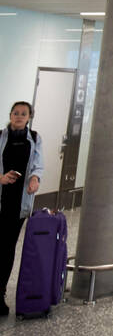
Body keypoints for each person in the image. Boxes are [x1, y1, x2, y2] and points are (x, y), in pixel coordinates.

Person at [0, 101, 43, 317]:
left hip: (18, 205)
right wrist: (1, 178)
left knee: (7, 250)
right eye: (15, 113)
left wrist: (35, 178)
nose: (18, 116)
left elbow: (38, 164)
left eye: (23, 114)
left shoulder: (34, 139)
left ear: (29, 117)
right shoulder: (0, 137)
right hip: (0, 198)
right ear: (10, 115)